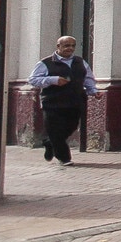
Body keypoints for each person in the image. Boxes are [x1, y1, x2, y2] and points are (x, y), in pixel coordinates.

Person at [29, 34, 96, 167]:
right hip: (52, 103)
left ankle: (49, 142)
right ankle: (64, 158)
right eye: (66, 46)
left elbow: (88, 78)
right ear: (58, 46)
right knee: (55, 130)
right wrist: (53, 80)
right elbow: (33, 80)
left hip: (75, 102)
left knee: (71, 127)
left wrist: (93, 91)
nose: (70, 48)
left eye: (72, 46)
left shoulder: (80, 62)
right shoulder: (45, 63)